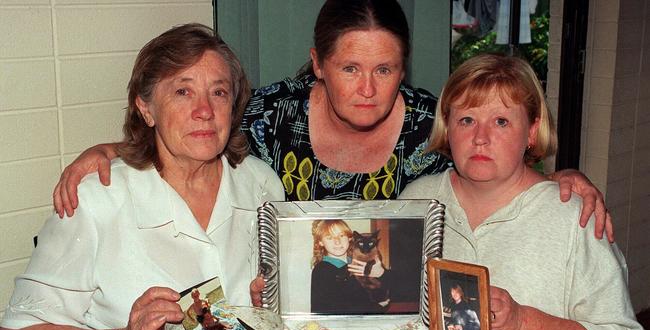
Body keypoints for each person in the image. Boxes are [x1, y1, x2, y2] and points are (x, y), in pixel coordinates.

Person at [51, 0, 613, 245]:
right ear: (318, 62)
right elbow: (194, 125)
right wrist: (110, 149)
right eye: (349, 67)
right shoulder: (274, 112)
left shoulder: (428, 122)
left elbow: (494, 154)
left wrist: (560, 178)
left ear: (403, 68)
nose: (368, 88)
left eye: (384, 68)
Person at [0, 24, 284, 330]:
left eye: (219, 92)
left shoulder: (262, 184)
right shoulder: (97, 199)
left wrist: (268, 310)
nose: (205, 110)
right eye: (183, 92)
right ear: (146, 109)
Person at [399, 53, 642, 330]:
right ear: (447, 128)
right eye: (467, 120)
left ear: (531, 130)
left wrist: (523, 322)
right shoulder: (417, 202)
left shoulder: (572, 217)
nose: (480, 138)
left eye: (501, 121)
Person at [310, 220, 390, 314]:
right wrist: (376, 307)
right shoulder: (322, 270)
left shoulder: (360, 262)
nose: (337, 242)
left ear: (349, 237)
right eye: (330, 237)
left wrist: (382, 275)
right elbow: (321, 310)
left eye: (341, 235)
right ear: (320, 242)